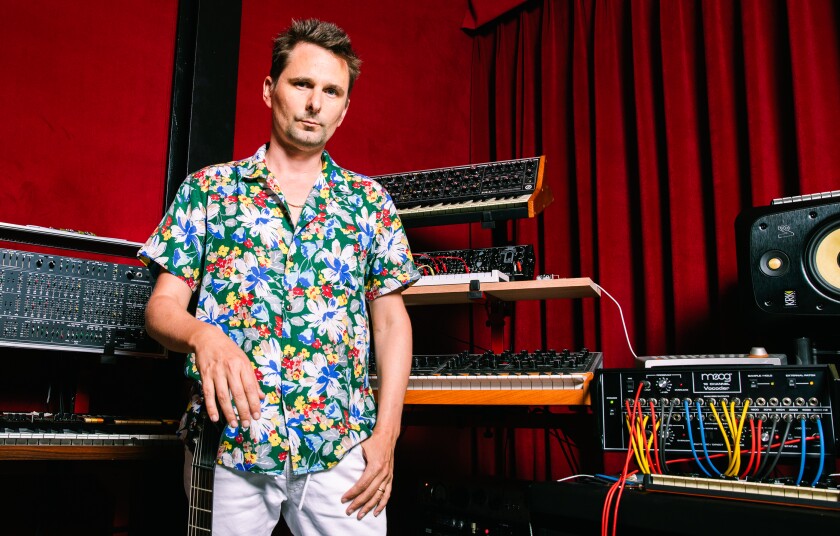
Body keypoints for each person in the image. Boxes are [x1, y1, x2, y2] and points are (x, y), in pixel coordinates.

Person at [138, 18, 420, 535]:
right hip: (231, 444)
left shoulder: (369, 202)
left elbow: (391, 324)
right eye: (302, 84)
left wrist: (387, 434)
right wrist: (203, 335)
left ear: (344, 107)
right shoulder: (207, 190)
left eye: (332, 91)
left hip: (340, 446)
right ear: (270, 90)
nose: (316, 102)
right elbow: (160, 309)